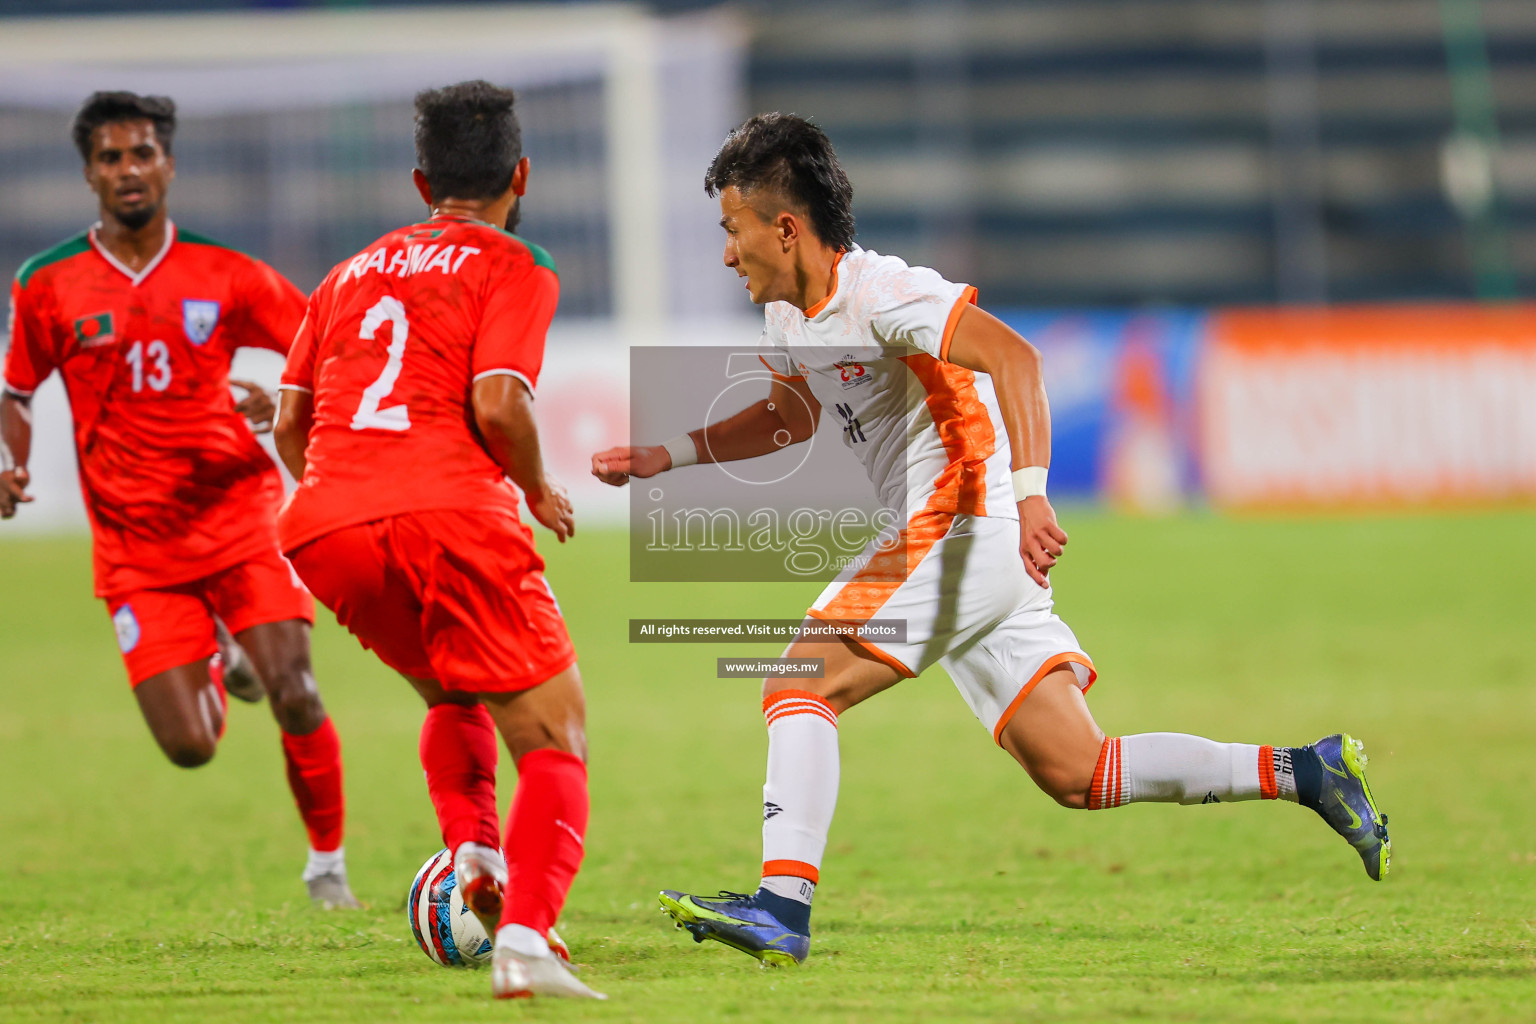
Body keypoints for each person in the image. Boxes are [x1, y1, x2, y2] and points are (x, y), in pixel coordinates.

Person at [591, 113, 1391, 967]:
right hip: (968, 550)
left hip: (968, 520)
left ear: (784, 228)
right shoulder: (792, 319)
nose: (726, 253)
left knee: (798, 683)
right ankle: (1308, 770)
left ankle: (782, 908)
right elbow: (789, 416)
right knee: (1079, 770)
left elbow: (1016, 360)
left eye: (731, 229)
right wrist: (669, 455)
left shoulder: (884, 293)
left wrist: (1032, 497)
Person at [272, 80, 601, 1001]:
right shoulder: (514, 262)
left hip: (324, 525)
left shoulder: (349, 272)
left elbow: (292, 422)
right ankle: (527, 941)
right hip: (448, 512)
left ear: (422, 182)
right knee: (553, 733)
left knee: (451, 685)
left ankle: (472, 857)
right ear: (521, 174)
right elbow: (501, 400)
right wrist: (536, 486)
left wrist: (351, 497)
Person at [0, 91, 356, 909]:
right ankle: (212, 650)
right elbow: (16, 391)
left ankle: (327, 868)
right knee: (190, 748)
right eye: (112, 157)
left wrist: (283, 401)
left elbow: (325, 346)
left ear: (169, 164)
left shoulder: (227, 274)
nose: (130, 169)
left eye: (144, 153)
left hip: (240, 516)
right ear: (90, 173)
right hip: (135, 551)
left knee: (296, 690)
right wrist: (9, 463)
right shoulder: (46, 283)